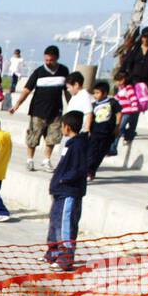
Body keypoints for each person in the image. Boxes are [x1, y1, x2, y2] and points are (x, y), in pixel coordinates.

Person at [10, 45, 70, 171]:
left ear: (57, 58)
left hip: (56, 111)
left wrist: (71, 106)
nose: (48, 62)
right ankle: (30, 160)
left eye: (51, 60)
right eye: (46, 60)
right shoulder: (39, 72)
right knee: (33, 137)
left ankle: (46, 160)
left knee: (52, 138)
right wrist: (17, 105)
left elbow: (67, 91)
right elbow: (27, 90)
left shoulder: (64, 71)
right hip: (38, 111)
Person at [46, 111, 89, 270]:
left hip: (69, 192)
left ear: (67, 127)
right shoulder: (70, 144)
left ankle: (66, 258)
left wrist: (64, 179)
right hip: (60, 192)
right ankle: (53, 254)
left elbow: (79, 169)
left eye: (62, 126)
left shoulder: (78, 145)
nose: (61, 129)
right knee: (54, 223)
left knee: (65, 225)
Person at [86, 80, 122, 181]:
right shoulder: (93, 105)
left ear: (105, 93)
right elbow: (90, 118)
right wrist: (88, 129)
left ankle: (92, 171)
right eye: (94, 93)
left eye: (98, 93)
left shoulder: (112, 102)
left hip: (108, 134)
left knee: (101, 153)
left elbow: (119, 113)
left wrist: (117, 126)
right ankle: (88, 171)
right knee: (91, 153)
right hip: (95, 133)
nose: (95, 95)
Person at [111, 68, 142, 155]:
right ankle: (128, 134)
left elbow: (133, 99)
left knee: (120, 128)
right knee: (119, 128)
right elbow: (116, 98)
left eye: (117, 81)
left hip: (128, 112)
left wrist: (134, 108)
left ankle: (113, 148)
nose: (116, 83)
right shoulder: (120, 89)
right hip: (122, 111)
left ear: (123, 80)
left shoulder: (129, 88)